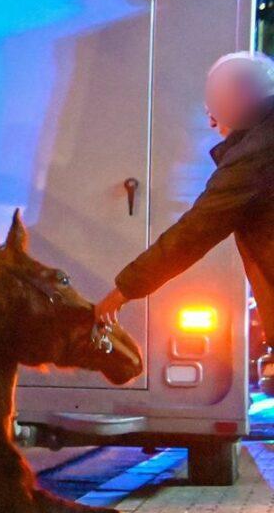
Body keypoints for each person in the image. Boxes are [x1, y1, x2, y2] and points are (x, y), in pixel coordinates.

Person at [94, 52, 274, 389]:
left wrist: (121, 291)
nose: (210, 122)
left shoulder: (256, 155)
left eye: (214, 109)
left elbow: (194, 232)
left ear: (237, 104)